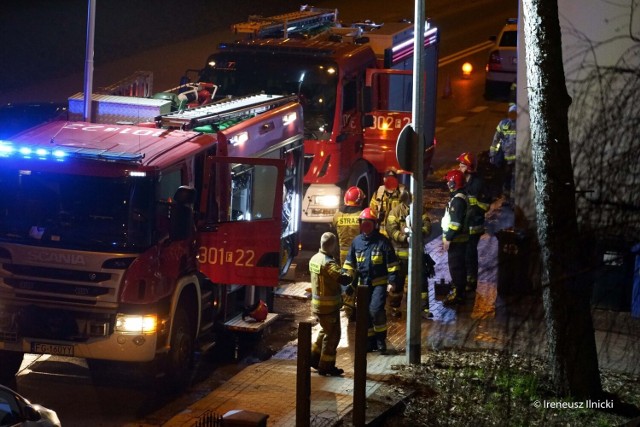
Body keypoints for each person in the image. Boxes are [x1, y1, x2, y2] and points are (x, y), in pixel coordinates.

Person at [343, 208, 400, 354]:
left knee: (375, 310)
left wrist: (392, 283)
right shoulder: (357, 242)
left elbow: (392, 265)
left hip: (379, 284)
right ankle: (370, 342)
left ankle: (381, 340)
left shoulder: (383, 242)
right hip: (363, 285)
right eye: (363, 223)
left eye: (368, 223)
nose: (365, 226)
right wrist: (348, 283)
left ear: (374, 224)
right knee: (364, 314)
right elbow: (350, 265)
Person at [309, 232, 353, 377]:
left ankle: (314, 358)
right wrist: (352, 273)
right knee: (333, 335)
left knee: (324, 330)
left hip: (318, 305)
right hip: (329, 306)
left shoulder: (314, 259)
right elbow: (343, 278)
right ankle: (326, 366)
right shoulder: (328, 263)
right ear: (332, 245)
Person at [385, 190, 433, 318]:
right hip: (400, 256)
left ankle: (424, 309)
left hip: (417, 255)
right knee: (397, 284)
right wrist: (404, 238)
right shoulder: (395, 212)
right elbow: (391, 230)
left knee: (422, 282)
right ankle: (395, 308)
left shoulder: (419, 211)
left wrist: (418, 233)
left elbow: (428, 226)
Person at [457, 152, 490, 293]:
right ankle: (463, 279)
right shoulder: (461, 181)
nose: (459, 167)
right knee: (462, 254)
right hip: (464, 225)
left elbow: (485, 205)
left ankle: (472, 281)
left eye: (462, 164)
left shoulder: (478, 183)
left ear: (469, 167)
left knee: (470, 253)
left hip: (474, 225)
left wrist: (474, 206)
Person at [331, 186, 366, 319]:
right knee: (360, 280)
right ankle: (355, 310)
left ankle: (349, 308)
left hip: (343, 254)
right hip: (360, 253)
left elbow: (334, 230)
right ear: (359, 201)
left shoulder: (337, 215)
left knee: (346, 280)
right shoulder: (361, 215)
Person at [441, 169, 469, 306]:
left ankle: (458, 295)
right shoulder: (460, 197)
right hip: (459, 240)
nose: (447, 184)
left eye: (449, 182)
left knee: (456, 268)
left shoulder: (457, 201)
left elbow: (455, 224)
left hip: (456, 241)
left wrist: (448, 238)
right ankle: (460, 292)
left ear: (454, 183)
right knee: (459, 268)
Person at [489, 103, 517, 206]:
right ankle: (506, 199)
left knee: (514, 179)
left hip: (517, 159)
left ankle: (513, 201)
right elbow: (495, 140)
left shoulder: (521, 124)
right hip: (506, 159)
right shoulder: (503, 124)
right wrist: (493, 154)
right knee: (506, 179)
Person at [369, 170, 406, 237]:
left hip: (398, 235)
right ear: (384, 180)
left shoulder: (403, 194)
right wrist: (378, 215)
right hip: (382, 235)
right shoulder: (378, 194)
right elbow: (371, 212)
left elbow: (411, 212)